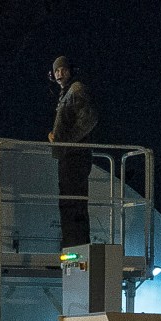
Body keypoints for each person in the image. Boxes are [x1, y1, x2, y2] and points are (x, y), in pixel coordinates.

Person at [46, 55, 99, 249]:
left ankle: (76, 244)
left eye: (63, 69)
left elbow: (90, 119)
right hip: (68, 155)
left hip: (75, 156)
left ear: (70, 71)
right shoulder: (67, 93)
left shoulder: (77, 90)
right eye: (57, 70)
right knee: (69, 202)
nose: (60, 74)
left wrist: (65, 141)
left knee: (73, 202)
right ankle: (72, 242)